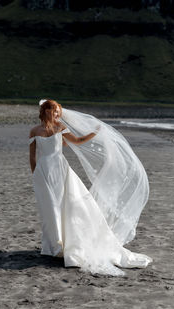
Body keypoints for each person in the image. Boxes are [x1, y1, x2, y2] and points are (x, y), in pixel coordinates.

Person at [29, 99, 152, 276]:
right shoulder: (34, 131)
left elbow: (78, 140)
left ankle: (67, 245)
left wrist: (95, 133)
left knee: (66, 205)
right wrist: (35, 174)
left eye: (58, 111)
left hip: (60, 170)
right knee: (49, 207)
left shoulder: (60, 128)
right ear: (45, 110)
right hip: (43, 172)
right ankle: (54, 246)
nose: (56, 114)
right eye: (54, 110)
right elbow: (32, 157)